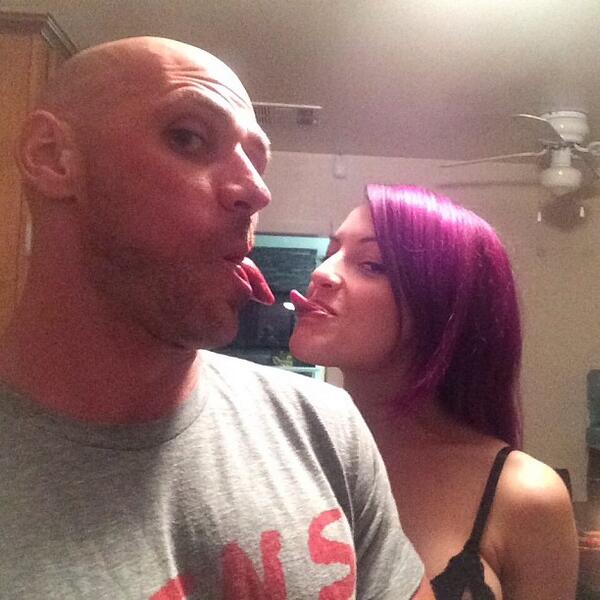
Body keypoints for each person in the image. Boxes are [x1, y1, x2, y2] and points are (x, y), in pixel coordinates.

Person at [0, 39, 434, 598]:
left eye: (257, 161)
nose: (257, 190)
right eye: (188, 137)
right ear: (52, 156)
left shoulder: (324, 427)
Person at [289, 184, 579, 599]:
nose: (321, 273)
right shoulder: (277, 449)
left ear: (443, 305)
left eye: (371, 264)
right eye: (329, 254)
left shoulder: (524, 493)